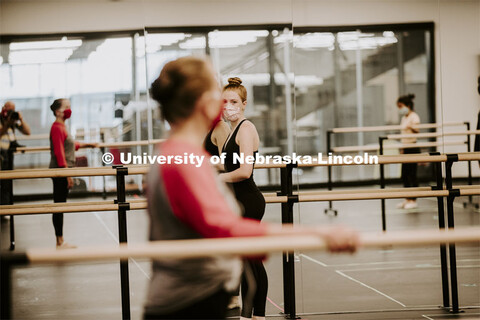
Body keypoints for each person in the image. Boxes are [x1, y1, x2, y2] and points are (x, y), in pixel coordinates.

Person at [144, 56, 359, 320]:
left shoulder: (178, 153)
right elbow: (226, 229)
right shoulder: (182, 161)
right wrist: (317, 233)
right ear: (203, 102)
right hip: (188, 303)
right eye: (216, 92)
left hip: (189, 296)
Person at [219, 77, 268, 320]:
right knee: (245, 260)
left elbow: (244, 171)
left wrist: (217, 179)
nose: (228, 105)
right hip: (238, 201)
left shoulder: (246, 128)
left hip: (248, 200)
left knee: (250, 262)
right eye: (224, 101)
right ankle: (253, 315)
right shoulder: (231, 130)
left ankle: (253, 315)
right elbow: (230, 165)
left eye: (234, 101)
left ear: (244, 103)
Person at [49, 99, 97, 248]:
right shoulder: (57, 127)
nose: (69, 110)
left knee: (60, 204)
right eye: (67, 107)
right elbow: (59, 152)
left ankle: (60, 240)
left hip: (63, 171)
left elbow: (70, 144)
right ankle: (59, 241)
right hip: (60, 172)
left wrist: (87, 144)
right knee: (59, 206)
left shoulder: (62, 126)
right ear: (58, 111)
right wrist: (67, 175)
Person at [0, 101, 31, 214]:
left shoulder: (13, 121)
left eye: (13, 110)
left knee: (7, 183)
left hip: (8, 155)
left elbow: (28, 132)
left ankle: (5, 209)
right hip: (0, 154)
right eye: (9, 109)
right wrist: (6, 124)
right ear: (4, 108)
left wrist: (20, 119)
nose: (10, 112)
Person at [396, 94, 421, 210]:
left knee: (412, 174)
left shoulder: (414, 116)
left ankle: (413, 200)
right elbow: (403, 134)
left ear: (408, 105)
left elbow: (417, 130)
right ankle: (407, 199)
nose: (400, 109)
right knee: (405, 175)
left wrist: (411, 126)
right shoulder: (404, 118)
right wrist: (401, 149)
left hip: (413, 147)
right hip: (405, 147)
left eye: (401, 106)